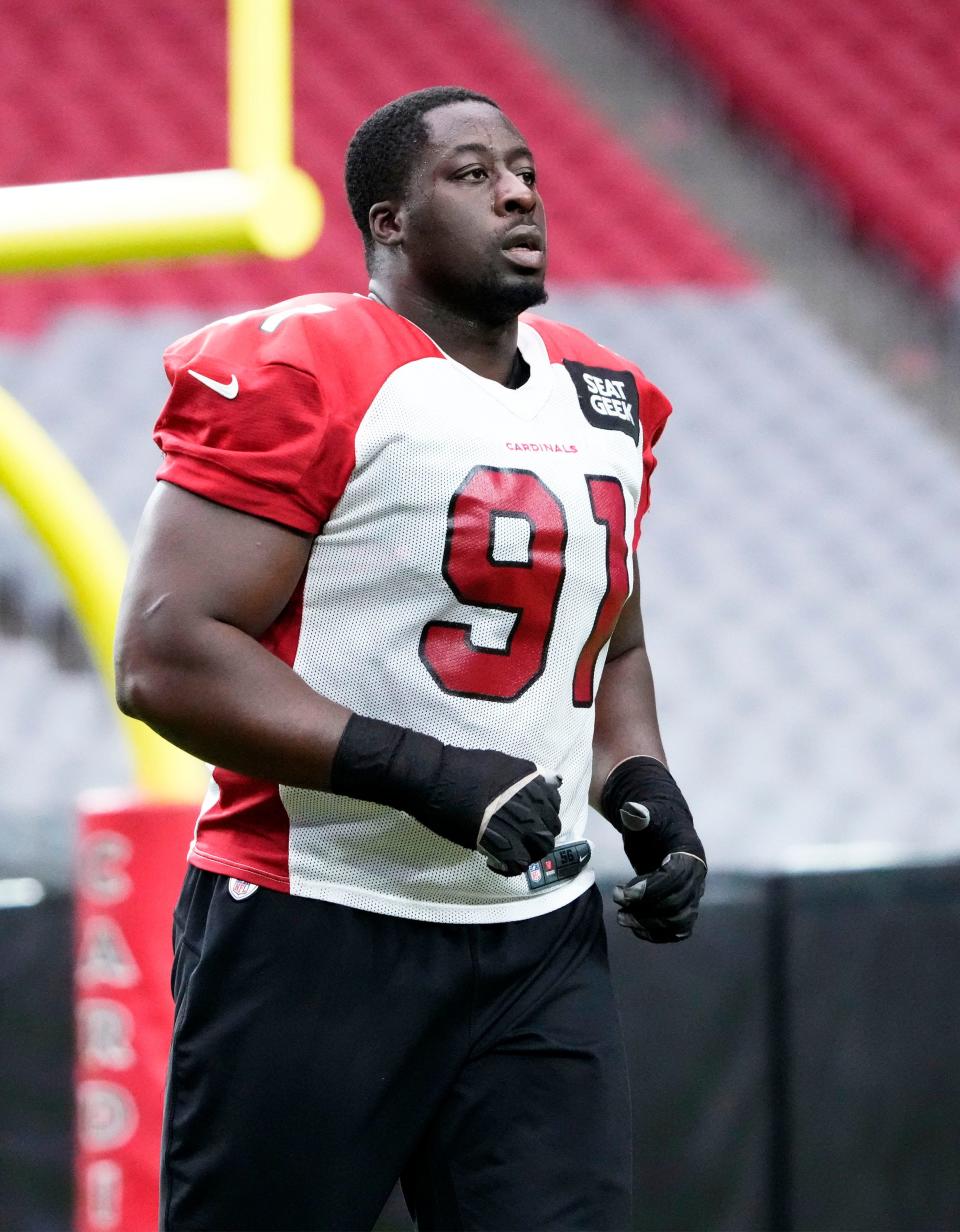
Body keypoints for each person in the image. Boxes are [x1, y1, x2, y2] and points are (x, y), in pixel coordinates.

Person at [115, 85, 706, 1232]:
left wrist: (642, 782)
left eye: (524, 167)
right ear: (389, 221)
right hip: (317, 919)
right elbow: (167, 655)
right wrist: (423, 770)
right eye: (473, 173)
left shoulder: (605, 392)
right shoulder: (313, 364)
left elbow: (610, 629)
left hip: (538, 937)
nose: (520, 190)